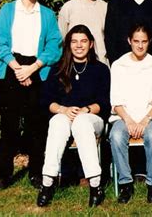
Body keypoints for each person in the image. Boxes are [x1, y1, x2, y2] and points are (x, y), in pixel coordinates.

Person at [0, 0, 62, 190]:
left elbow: (54, 46)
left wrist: (32, 68)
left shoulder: (48, 15)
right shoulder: (7, 10)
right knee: (9, 127)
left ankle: (36, 173)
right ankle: (4, 176)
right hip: (11, 69)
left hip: (37, 71)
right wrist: (17, 68)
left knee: (37, 127)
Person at [37, 25, 110, 207]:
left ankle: (95, 184)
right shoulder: (58, 69)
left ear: (91, 44)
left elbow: (104, 103)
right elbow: (46, 101)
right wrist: (62, 109)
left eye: (83, 41)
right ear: (69, 45)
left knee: (82, 123)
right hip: (65, 115)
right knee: (58, 122)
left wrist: (86, 109)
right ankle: (47, 182)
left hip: (92, 118)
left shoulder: (100, 69)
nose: (79, 45)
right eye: (74, 41)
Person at [109, 23, 152, 204]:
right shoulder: (118, 65)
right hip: (124, 116)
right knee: (116, 135)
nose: (140, 46)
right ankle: (126, 184)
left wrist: (145, 120)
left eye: (144, 41)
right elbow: (115, 100)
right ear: (129, 41)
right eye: (136, 41)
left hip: (151, 117)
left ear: (149, 42)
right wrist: (129, 121)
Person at [58, 0, 109, 65]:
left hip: (100, 66)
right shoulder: (68, 8)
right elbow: (61, 41)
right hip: (74, 66)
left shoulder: (106, 8)